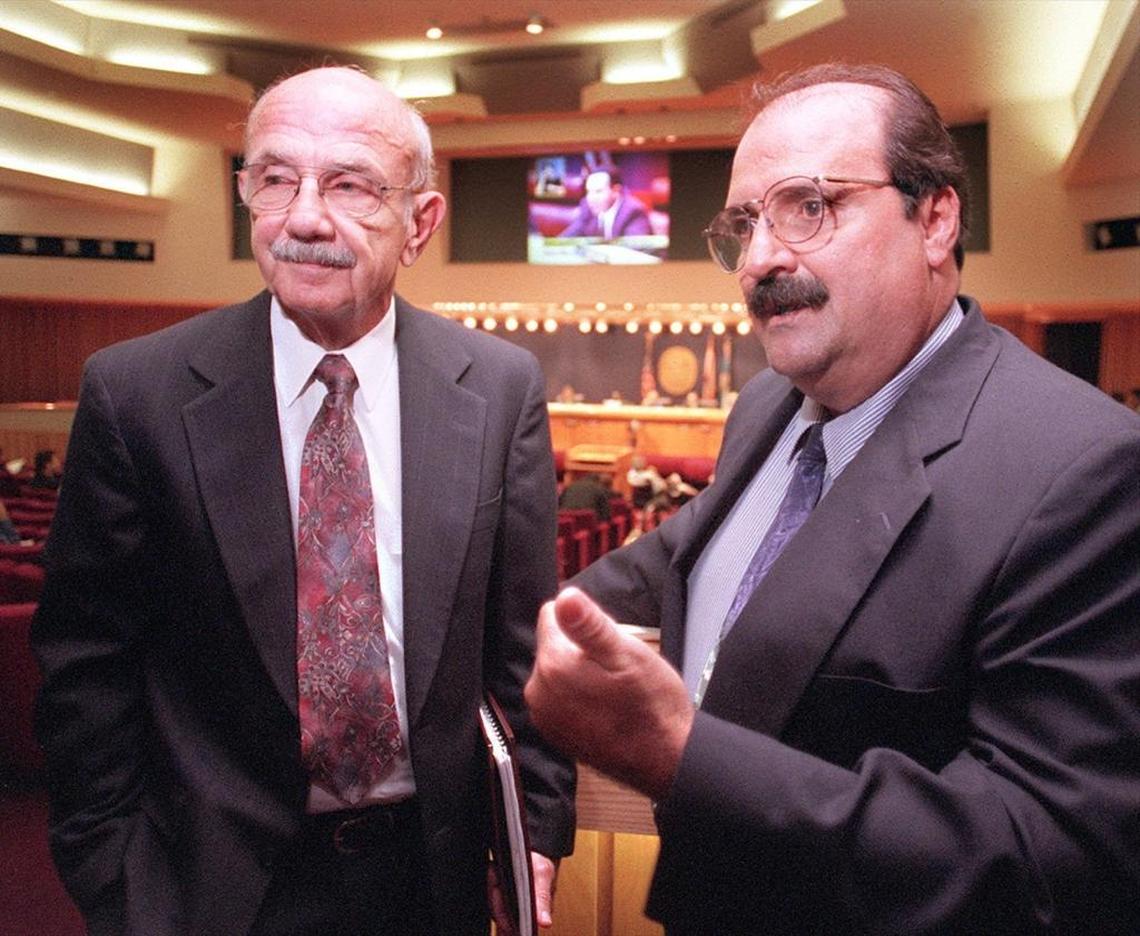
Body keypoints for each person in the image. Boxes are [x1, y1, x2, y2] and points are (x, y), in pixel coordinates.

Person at [525, 63, 1140, 934]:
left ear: (936, 219)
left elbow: (1048, 861)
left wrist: (682, 755)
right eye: (746, 223)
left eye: (809, 206)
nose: (763, 258)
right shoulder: (767, 409)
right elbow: (673, 563)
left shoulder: (1083, 469)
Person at [32, 65, 575, 936]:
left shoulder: (500, 388)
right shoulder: (137, 393)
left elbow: (524, 650)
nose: (305, 217)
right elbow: (86, 669)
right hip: (208, 890)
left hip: (430, 884)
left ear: (420, 222)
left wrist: (534, 832)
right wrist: (120, 884)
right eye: (276, 179)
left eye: (352, 185)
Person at [560, 167, 652, 239]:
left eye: (598, 191)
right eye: (588, 192)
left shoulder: (634, 211)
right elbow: (567, 238)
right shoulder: (587, 207)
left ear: (616, 191)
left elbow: (635, 254)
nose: (591, 198)